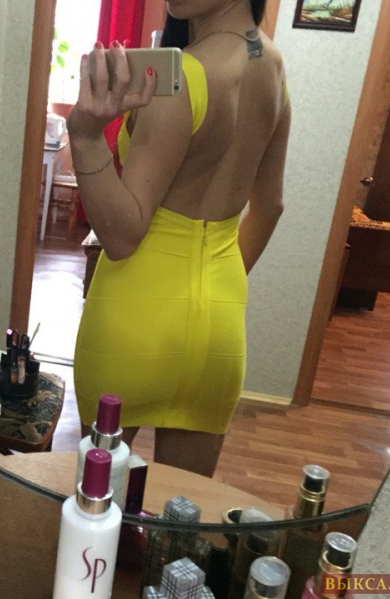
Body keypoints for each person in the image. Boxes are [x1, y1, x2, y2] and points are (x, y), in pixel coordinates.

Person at [69, 0, 290, 477]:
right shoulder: (272, 67)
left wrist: (85, 137)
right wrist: (213, 283)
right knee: (185, 506)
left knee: (97, 498)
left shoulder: (184, 75)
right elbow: (270, 207)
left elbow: (123, 234)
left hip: (134, 317)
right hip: (219, 326)